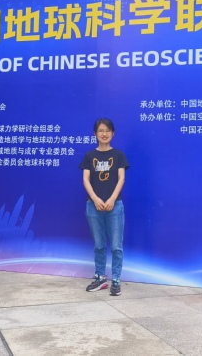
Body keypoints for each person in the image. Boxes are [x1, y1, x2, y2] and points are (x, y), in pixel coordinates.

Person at [79, 118, 129, 296]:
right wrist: (95, 199)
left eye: (107, 130)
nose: (104, 134)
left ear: (113, 134)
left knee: (116, 246)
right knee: (99, 245)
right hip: (94, 206)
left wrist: (112, 199)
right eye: (101, 130)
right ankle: (100, 277)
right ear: (95, 134)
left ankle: (116, 280)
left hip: (115, 206)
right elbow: (85, 180)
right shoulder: (89, 156)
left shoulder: (119, 155)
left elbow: (121, 179)